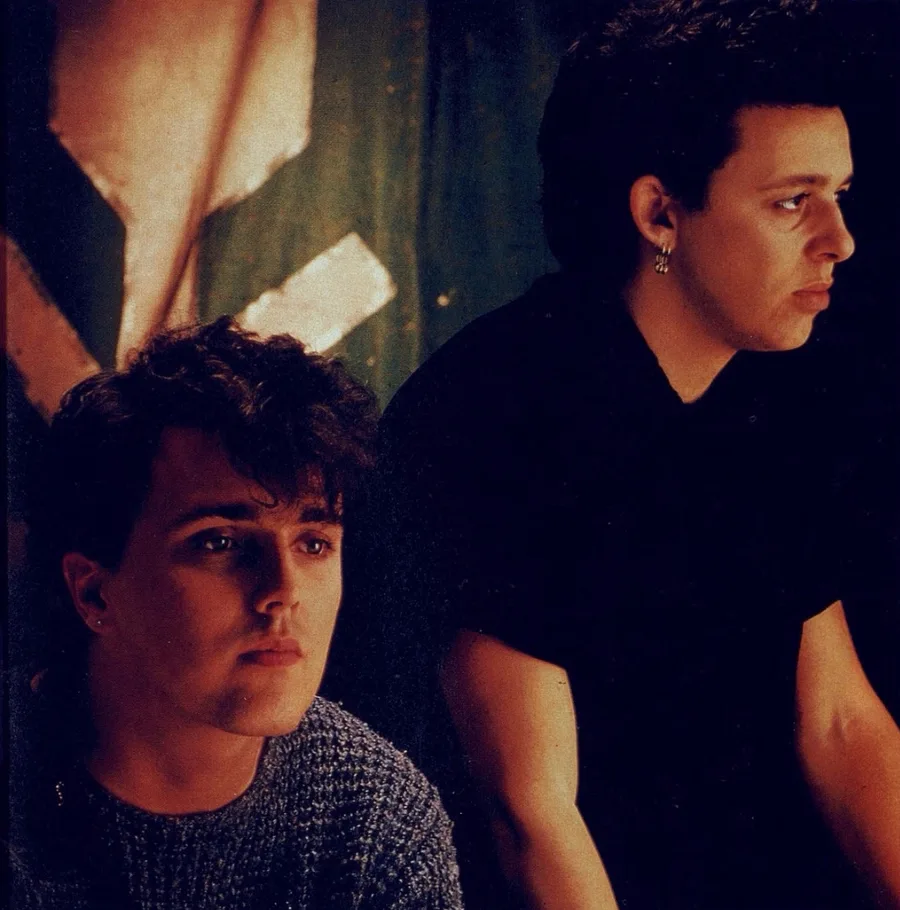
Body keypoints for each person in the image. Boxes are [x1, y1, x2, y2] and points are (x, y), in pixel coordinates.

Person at [370, 1, 900, 908]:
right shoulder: (490, 413)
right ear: (660, 214)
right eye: (791, 202)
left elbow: (841, 724)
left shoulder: (772, 391)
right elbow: (529, 813)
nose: (840, 242)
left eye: (839, 196)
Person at [9, 318, 463, 909]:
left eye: (313, 544)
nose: (283, 592)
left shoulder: (375, 819)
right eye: (219, 542)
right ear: (95, 594)